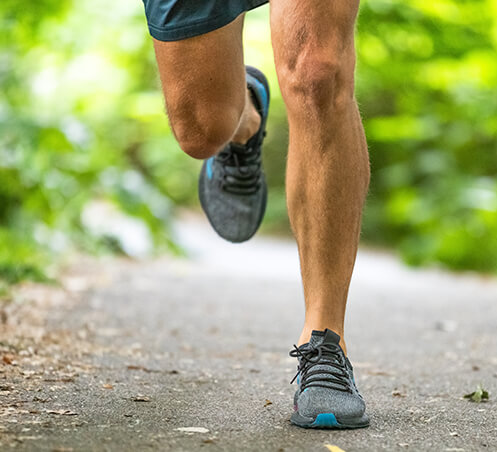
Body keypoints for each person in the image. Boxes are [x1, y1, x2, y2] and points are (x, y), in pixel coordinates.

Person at [141, 0, 370, 429]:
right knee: (201, 127)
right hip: (213, 125)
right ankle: (244, 119)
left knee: (318, 72)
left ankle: (324, 342)